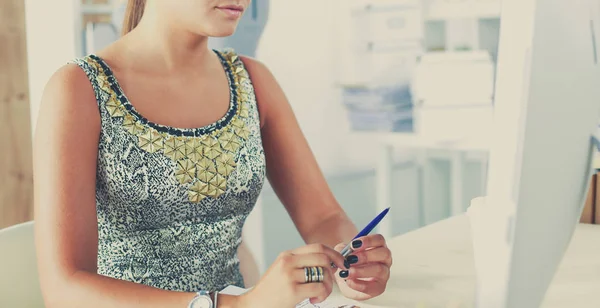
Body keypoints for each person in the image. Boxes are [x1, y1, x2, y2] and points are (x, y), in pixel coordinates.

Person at [32, 0, 393, 307]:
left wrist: (353, 261)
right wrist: (234, 304)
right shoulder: (79, 89)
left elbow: (323, 216)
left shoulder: (252, 80)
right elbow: (65, 288)